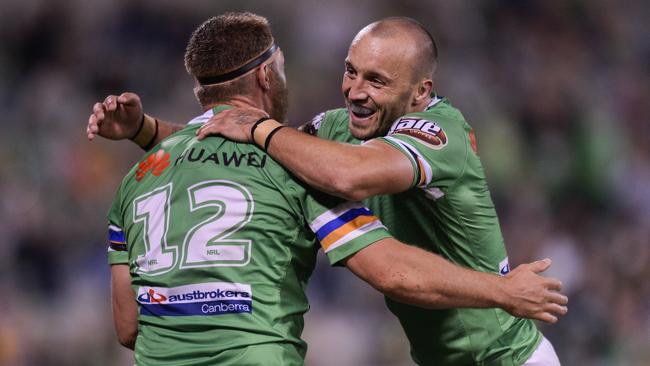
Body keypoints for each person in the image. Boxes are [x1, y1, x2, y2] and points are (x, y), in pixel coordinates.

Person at [90, 14, 567, 366]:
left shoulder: (441, 131)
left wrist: (505, 293)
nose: (355, 90)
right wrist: (150, 131)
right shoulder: (336, 130)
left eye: (377, 81)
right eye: (351, 70)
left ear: (420, 92)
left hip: (506, 357)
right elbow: (243, 154)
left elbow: (350, 175)